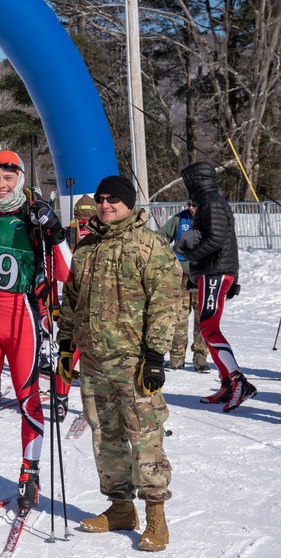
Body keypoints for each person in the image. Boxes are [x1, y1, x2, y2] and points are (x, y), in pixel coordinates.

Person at [57, 175, 182, 552]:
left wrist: (156, 356)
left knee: (145, 439)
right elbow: (71, 298)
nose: (105, 204)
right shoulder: (86, 247)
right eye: (101, 199)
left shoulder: (149, 245)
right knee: (105, 439)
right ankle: (121, 508)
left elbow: (166, 302)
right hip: (94, 362)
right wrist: (66, 344)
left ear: (128, 202)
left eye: (113, 199)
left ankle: (156, 515)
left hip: (133, 361)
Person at [0, 150, 71, 514]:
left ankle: (28, 475)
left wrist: (54, 230)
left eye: (8, 178)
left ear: (19, 178)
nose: (0, 185)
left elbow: (64, 270)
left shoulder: (34, 216)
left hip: (21, 316)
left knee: (28, 398)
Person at [177, 161, 257, 411]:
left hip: (215, 272)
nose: (187, 188)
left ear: (196, 180)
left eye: (188, 183)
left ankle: (239, 381)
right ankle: (227, 384)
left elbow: (217, 238)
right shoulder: (207, 203)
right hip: (212, 271)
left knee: (209, 327)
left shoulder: (211, 201)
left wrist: (192, 255)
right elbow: (215, 236)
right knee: (206, 327)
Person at [53, 195, 97, 420]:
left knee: (68, 351)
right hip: (96, 302)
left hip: (72, 300)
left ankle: (60, 399)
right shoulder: (102, 231)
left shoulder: (67, 232)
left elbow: (53, 265)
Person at [157, 200, 210, 372]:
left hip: (204, 275)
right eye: (190, 204)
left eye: (195, 204)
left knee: (203, 318)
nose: (191, 208)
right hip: (181, 276)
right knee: (178, 317)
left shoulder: (211, 220)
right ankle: (176, 358)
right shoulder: (180, 219)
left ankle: (201, 358)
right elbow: (160, 238)